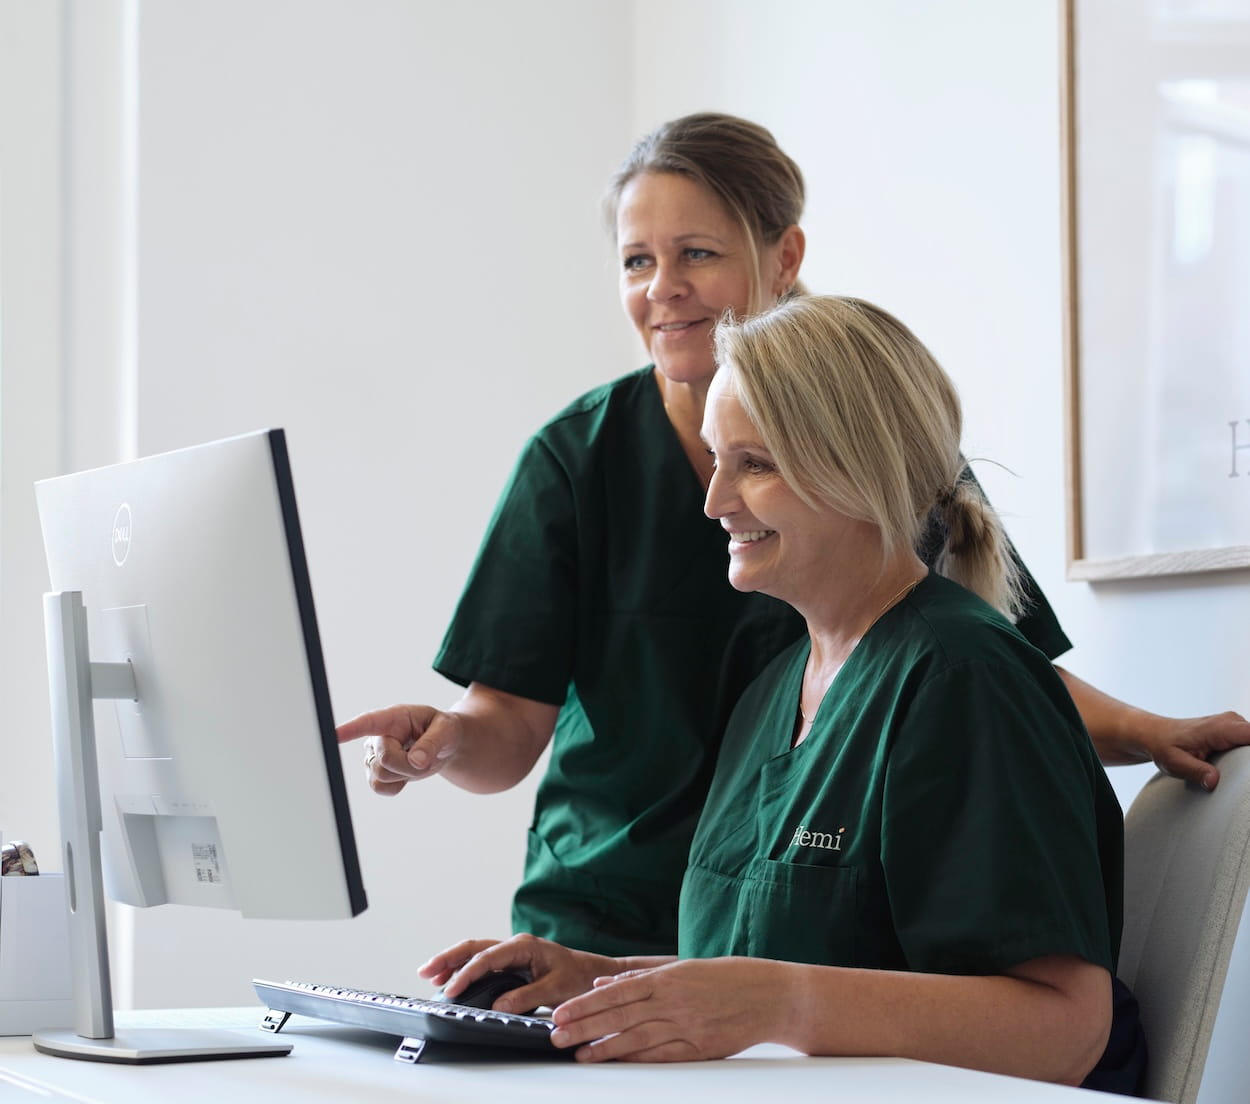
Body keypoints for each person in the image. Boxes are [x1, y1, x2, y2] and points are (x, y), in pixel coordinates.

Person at [337, 112, 1250, 959]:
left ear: (784, 256)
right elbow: (509, 722)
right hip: (612, 921)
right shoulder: (577, 461)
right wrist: (446, 741)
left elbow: (982, 665)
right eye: (635, 262)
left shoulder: (870, 440)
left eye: (696, 252)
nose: (664, 289)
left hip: (807, 926)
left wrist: (1146, 731)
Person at [416, 295, 1145, 1101]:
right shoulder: (776, 692)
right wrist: (605, 978)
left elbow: (1064, 1030)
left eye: (753, 465)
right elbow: (800, 962)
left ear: (858, 468)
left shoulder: (963, 678)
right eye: (716, 459)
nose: (714, 500)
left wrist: (780, 1003)